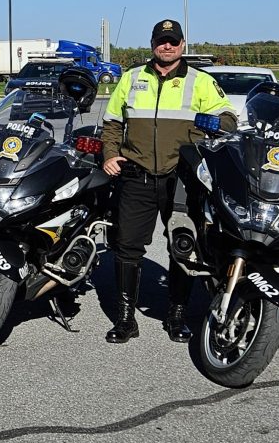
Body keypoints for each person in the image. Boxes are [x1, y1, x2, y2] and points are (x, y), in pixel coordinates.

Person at [100, 19, 236, 344]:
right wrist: (109, 154)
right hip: (137, 176)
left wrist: (214, 123)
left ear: (182, 45)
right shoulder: (132, 78)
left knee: (183, 247)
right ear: (152, 44)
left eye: (173, 41)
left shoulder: (200, 82)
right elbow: (111, 123)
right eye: (162, 41)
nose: (167, 46)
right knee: (127, 247)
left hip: (183, 179)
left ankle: (176, 316)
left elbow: (230, 119)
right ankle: (125, 319)